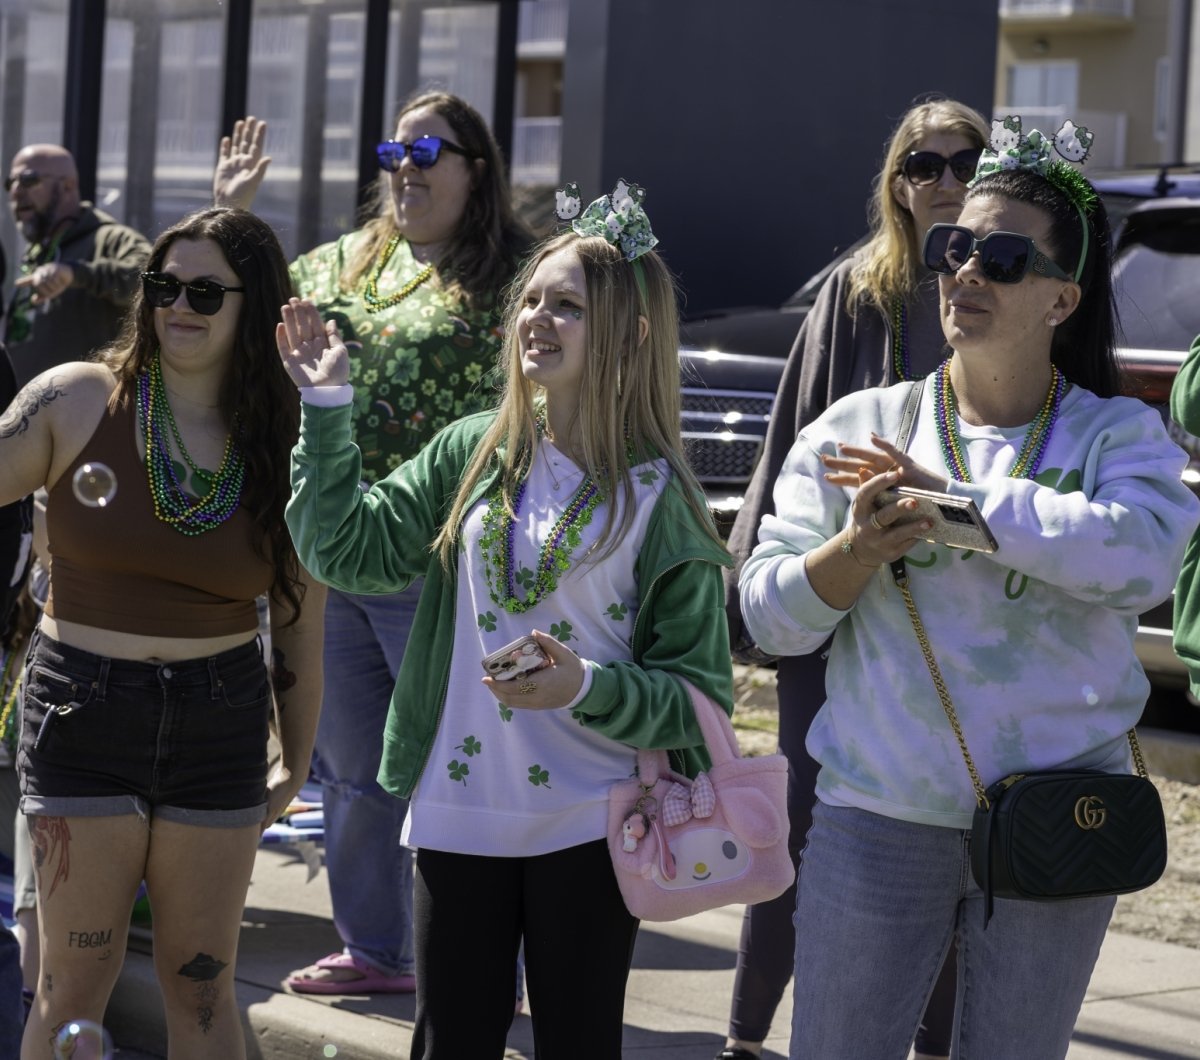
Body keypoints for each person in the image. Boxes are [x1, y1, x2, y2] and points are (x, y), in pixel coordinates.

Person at [738, 119, 1200, 1058]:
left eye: (1002, 257)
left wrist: (957, 502)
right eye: (955, 249)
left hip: (1059, 822)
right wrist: (856, 553)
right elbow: (765, 617)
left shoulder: (1118, 436)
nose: (967, 273)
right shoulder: (856, 425)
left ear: (1063, 297)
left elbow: (1142, 561)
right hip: (878, 815)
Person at [278, 184, 735, 1058]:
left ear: (630, 337)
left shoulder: (660, 495)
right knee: (452, 1042)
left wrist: (586, 686)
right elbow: (346, 552)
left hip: (598, 824)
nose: (537, 318)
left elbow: (695, 699)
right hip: (459, 810)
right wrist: (328, 411)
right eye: (530, 299)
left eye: (567, 305)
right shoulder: (471, 449)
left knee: (576, 1041)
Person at [213, 91, 528, 995]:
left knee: (455, 758)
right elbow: (242, 308)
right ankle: (379, 949)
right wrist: (236, 213)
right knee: (352, 768)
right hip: (330, 552)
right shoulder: (343, 262)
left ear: (478, 168)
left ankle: (474, 963)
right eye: (396, 147)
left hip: (444, 557)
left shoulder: (512, 276)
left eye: (430, 148)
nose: (408, 165)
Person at [0, 206, 325, 1058]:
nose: (180, 304)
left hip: (221, 718)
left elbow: (299, 623)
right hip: (82, 708)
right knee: (72, 985)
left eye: (207, 291)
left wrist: (295, 755)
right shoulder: (75, 399)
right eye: (164, 284)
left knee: (202, 987)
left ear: (255, 305)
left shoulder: (286, 441)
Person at [717, 97, 988, 1060]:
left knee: (949, 831)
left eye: (966, 160)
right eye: (924, 162)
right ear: (896, 181)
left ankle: (933, 1041)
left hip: (957, 612)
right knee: (803, 823)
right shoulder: (853, 290)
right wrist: (763, 581)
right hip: (840, 596)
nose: (945, 180)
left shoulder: (1003, 286)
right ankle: (748, 1036)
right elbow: (791, 437)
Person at [4, 144, 152, 388]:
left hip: (86, 414)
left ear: (68, 185)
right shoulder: (37, 253)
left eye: (29, 180)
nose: (16, 192)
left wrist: (77, 273)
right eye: (11, 182)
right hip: (27, 413)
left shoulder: (110, 238)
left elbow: (148, 281)